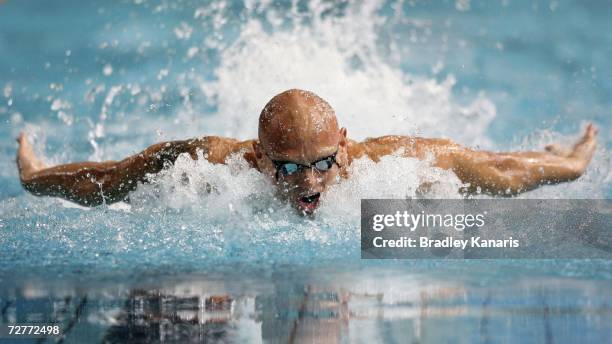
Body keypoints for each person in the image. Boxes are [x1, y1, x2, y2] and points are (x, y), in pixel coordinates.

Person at [16, 89, 597, 215]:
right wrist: (38, 177)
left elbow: (497, 168)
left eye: (323, 162)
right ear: (256, 157)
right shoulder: (211, 162)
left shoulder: (386, 164)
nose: (310, 183)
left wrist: (567, 165)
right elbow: (110, 176)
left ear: (343, 144)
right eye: (289, 168)